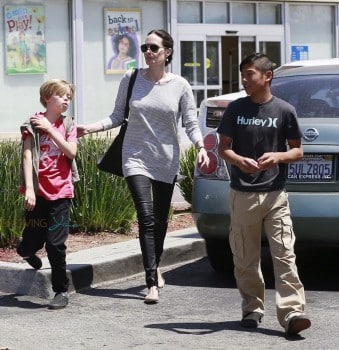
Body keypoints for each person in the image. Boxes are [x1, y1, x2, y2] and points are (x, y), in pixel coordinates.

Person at [78, 29, 209, 304]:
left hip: (165, 158)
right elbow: (116, 115)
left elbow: (190, 123)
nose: (148, 53)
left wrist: (201, 147)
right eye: (145, 48)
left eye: (153, 48)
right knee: (146, 217)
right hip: (134, 156)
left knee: (160, 220)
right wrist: (90, 127)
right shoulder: (132, 78)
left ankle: (156, 265)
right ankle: (151, 282)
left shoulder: (181, 86)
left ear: (167, 52)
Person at [217, 53, 311, 336]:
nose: (245, 80)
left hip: (275, 196)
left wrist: (279, 156)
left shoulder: (284, 110)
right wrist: (238, 160)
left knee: (285, 254)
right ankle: (252, 309)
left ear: (267, 76)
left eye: (250, 74)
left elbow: (298, 151)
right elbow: (223, 148)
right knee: (245, 257)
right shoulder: (235, 109)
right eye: (243, 75)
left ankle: (292, 312)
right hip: (242, 194)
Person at [17, 79, 77, 310]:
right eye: (61, 96)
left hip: (62, 193)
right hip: (39, 193)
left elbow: (71, 152)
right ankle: (25, 250)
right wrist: (30, 189)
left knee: (55, 244)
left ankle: (61, 291)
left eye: (68, 97)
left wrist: (51, 129)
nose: (66, 100)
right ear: (47, 98)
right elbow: (26, 156)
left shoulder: (68, 125)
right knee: (32, 239)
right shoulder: (31, 124)